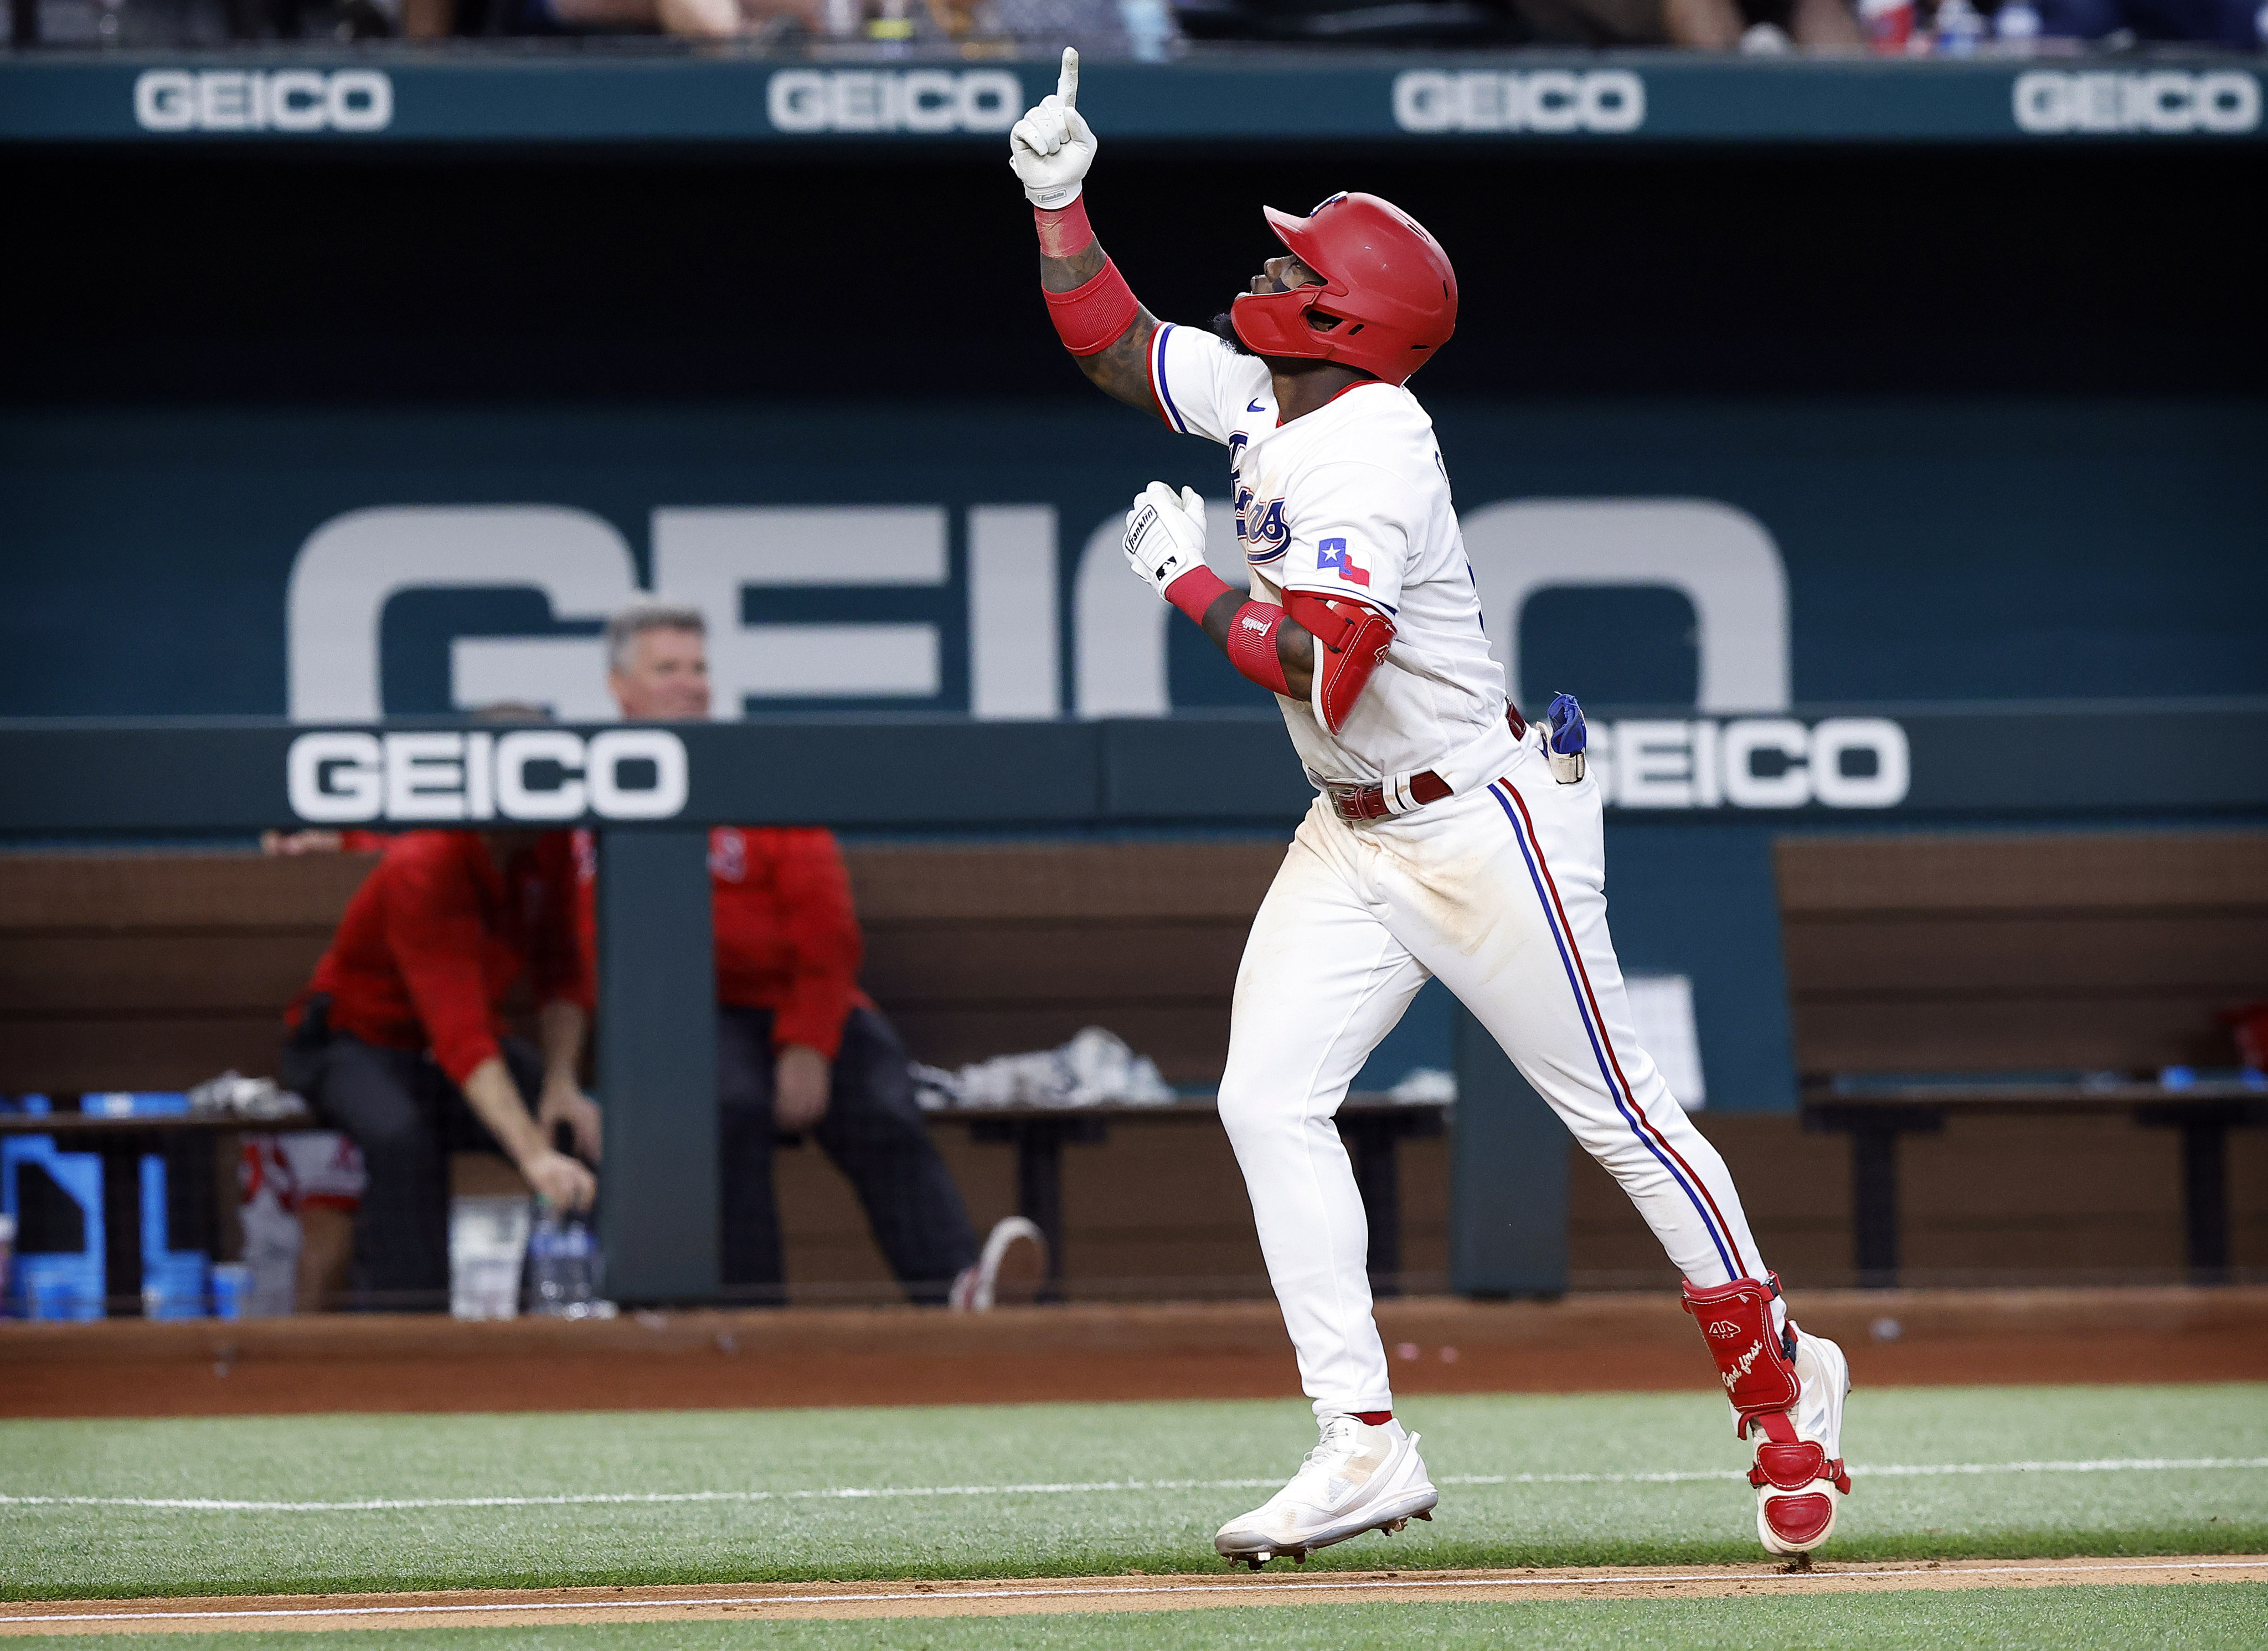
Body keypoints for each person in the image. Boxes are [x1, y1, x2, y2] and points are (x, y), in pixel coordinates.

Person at [1008, 50, 1852, 1565]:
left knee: (1619, 1116)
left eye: (1292, 264)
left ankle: (1787, 1383)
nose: (1264, 271)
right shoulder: (1280, 394)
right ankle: (1363, 1445)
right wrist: (1060, 202)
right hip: (1353, 828)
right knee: (1265, 1097)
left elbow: (1320, 672)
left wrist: (1183, 578)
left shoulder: (1371, 447)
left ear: (1346, 315)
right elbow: (1122, 352)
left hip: (1479, 821)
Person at [591, 600, 1002, 1307]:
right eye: (668, 668)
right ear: (619, 687)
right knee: (728, 1102)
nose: (691, 683)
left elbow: (826, 927)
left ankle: (957, 1291)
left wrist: (807, 1043)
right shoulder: (591, 785)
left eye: (699, 667)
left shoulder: (755, 772)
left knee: (881, 1100)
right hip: (684, 1014)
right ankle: (755, 1317)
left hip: (800, 1003)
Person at [281, 814, 599, 1309]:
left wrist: (563, 1082)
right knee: (401, 1137)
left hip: (451, 1047)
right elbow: (460, 1036)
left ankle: (550, 1321)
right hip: (357, 1039)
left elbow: (562, 971)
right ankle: (410, 1336)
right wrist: (532, 1155)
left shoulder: (551, 842)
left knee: (572, 1128)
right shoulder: (424, 862)